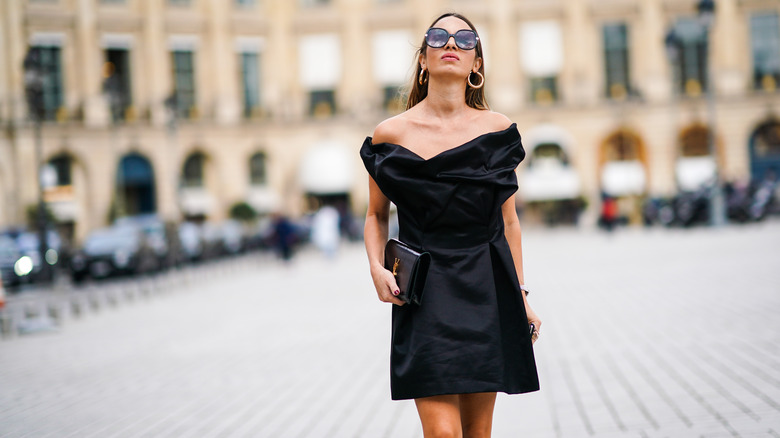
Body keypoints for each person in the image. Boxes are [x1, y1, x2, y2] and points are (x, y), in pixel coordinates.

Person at [360, 12, 542, 438]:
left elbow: (509, 223)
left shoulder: (497, 131)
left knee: (478, 434)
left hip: (487, 285)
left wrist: (522, 297)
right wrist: (375, 267)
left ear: (476, 63)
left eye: (465, 39)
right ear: (423, 59)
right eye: (439, 36)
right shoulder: (391, 134)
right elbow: (374, 214)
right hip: (423, 289)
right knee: (443, 433)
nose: (451, 44)